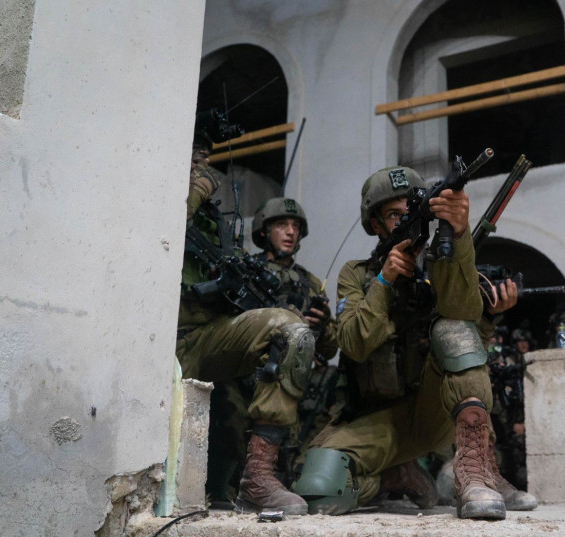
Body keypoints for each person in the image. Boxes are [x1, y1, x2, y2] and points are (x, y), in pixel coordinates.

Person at [294, 166, 519, 519]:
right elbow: (353, 344)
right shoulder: (357, 274)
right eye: (392, 214)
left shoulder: (440, 265)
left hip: (433, 412)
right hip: (375, 419)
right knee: (318, 491)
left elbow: (465, 331)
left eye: (409, 212)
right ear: (376, 224)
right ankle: (393, 477)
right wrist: (384, 281)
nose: (403, 221)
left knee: (452, 330)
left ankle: (478, 473)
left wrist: (459, 236)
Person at [176, 125, 315, 515]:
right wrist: (192, 192)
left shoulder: (213, 221)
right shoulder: (163, 196)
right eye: (192, 157)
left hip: (207, 337)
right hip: (159, 340)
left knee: (291, 329)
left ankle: (257, 480)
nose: (200, 166)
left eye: (203, 159)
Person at [206, 198, 339, 503]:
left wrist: (324, 324)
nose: (290, 232)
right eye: (282, 225)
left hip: (288, 380)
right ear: (264, 231)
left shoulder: (310, 283)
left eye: (295, 227)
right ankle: (222, 496)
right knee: (230, 437)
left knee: (291, 451)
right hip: (243, 374)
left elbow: (329, 349)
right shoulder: (247, 270)